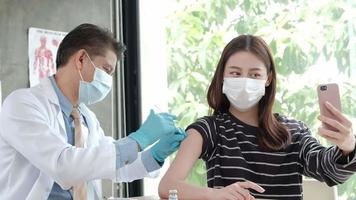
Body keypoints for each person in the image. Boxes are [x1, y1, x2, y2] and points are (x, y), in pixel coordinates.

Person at [0, 23, 186, 200]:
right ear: (81, 59)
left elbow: (113, 165)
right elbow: (63, 165)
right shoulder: (22, 104)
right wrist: (138, 140)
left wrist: (154, 155)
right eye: (106, 70)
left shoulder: (85, 117)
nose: (108, 81)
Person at [158, 35, 356, 200]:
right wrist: (216, 195)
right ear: (223, 77)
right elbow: (167, 187)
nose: (244, 81)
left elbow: (329, 171)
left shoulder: (293, 131)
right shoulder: (209, 129)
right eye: (235, 73)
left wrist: (347, 146)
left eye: (254, 75)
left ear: (268, 79)